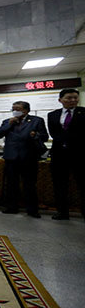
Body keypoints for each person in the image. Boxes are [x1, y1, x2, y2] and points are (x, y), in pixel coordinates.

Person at [0, 101, 48, 217]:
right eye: (13, 109)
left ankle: (32, 210)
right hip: (11, 157)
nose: (15, 111)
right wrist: (9, 124)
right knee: (11, 184)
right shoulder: (7, 121)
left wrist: (35, 135)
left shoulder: (36, 120)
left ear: (26, 110)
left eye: (18, 109)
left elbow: (44, 137)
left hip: (29, 157)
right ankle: (11, 207)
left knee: (29, 185)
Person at [47, 89, 85, 220]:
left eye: (75, 98)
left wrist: (69, 141)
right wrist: (64, 142)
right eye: (69, 98)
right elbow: (53, 133)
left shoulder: (83, 112)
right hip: (59, 155)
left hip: (80, 154)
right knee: (59, 185)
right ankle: (62, 212)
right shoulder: (53, 115)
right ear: (60, 100)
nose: (73, 100)